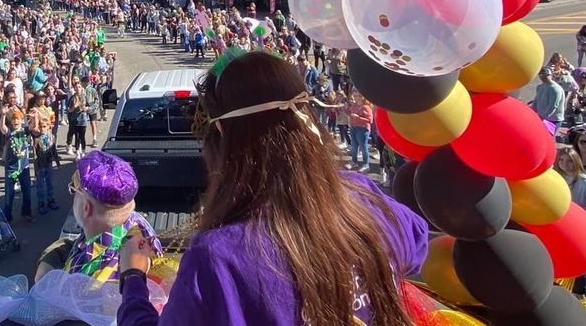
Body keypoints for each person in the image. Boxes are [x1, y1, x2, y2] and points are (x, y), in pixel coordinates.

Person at [117, 51, 428, 326]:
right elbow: (416, 243)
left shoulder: (219, 258)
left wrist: (132, 278)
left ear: (221, 136)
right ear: (307, 120)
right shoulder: (363, 196)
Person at [36, 151, 162, 283]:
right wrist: (52, 256)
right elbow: (82, 245)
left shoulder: (93, 277)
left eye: (73, 189)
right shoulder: (133, 223)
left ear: (86, 208)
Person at [3, 110, 33, 223]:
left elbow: (33, 126)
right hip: (11, 168)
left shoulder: (25, 131)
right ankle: (7, 216)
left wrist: (34, 117)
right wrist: (3, 115)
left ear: (21, 120)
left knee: (27, 191)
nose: (16, 121)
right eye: (14, 119)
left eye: (18, 119)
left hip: (24, 167)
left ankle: (26, 212)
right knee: (9, 194)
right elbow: (2, 127)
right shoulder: (9, 133)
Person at [33, 117, 61, 215]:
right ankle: (41, 203)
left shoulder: (51, 137)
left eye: (44, 126)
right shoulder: (36, 139)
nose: (42, 129)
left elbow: (54, 150)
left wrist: (57, 162)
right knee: (40, 186)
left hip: (48, 164)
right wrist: (36, 168)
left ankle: (50, 199)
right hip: (40, 165)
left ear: (48, 127)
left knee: (50, 184)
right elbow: (35, 155)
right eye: (41, 127)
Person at [348, 92, 374, 173]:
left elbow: (370, 120)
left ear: (362, 97)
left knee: (363, 147)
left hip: (362, 129)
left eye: (356, 96)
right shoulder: (354, 105)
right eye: (355, 96)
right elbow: (350, 113)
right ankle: (354, 162)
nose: (355, 97)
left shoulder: (366, 107)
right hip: (353, 128)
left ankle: (366, 165)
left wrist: (358, 118)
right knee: (354, 146)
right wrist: (343, 109)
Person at [67, 78, 89, 157]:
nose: (78, 88)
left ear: (81, 88)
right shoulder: (72, 98)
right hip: (75, 120)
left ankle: (83, 151)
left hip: (83, 119)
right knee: (77, 137)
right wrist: (74, 107)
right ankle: (77, 153)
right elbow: (69, 110)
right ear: (74, 89)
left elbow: (88, 106)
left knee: (82, 136)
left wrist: (86, 108)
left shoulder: (84, 97)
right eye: (76, 87)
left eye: (79, 87)